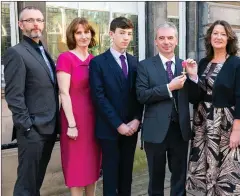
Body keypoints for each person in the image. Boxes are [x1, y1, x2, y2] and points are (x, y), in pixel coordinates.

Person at [186, 20, 240, 195]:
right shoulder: (203, 62)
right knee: (208, 166)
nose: (218, 37)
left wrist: (237, 130)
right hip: (204, 123)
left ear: (229, 39)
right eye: (215, 33)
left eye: (223, 34)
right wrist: (192, 77)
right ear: (210, 37)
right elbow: (194, 98)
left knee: (232, 170)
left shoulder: (238, 64)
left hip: (227, 123)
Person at [136, 21, 199, 196]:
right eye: (162, 38)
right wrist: (168, 87)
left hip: (180, 131)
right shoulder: (145, 65)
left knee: (179, 178)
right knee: (156, 179)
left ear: (176, 40)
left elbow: (195, 98)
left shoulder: (185, 65)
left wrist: (194, 77)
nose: (166, 42)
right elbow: (141, 95)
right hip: (155, 131)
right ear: (155, 41)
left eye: (170, 38)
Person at [3, 6, 59, 196]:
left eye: (39, 20)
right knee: (26, 185)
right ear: (20, 25)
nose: (36, 24)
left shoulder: (43, 51)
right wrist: (27, 126)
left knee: (36, 182)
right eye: (30, 20)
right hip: (32, 131)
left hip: (49, 128)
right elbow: (14, 95)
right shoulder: (16, 53)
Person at [89, 17, 143, 196]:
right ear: (111, 34)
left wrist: (136, 119)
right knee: (111, 177)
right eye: (122, 33)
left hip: (131, 128)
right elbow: (99, 97)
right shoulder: (98, 63)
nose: (126, 37)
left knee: (127, 175)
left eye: (129, 34)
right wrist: (118, 124)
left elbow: (138, 95)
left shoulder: (135, 62)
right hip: (109, 129)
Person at [56, 17, 101, 196]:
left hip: (94, 120)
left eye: (87, 32)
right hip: (74, 119)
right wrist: (72, 124)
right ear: (72, 36)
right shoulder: (65, 58)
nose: (83, 36)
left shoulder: (95, 60)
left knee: (92, 164)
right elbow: (64, 93)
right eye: (79, 32)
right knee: (76, 166)